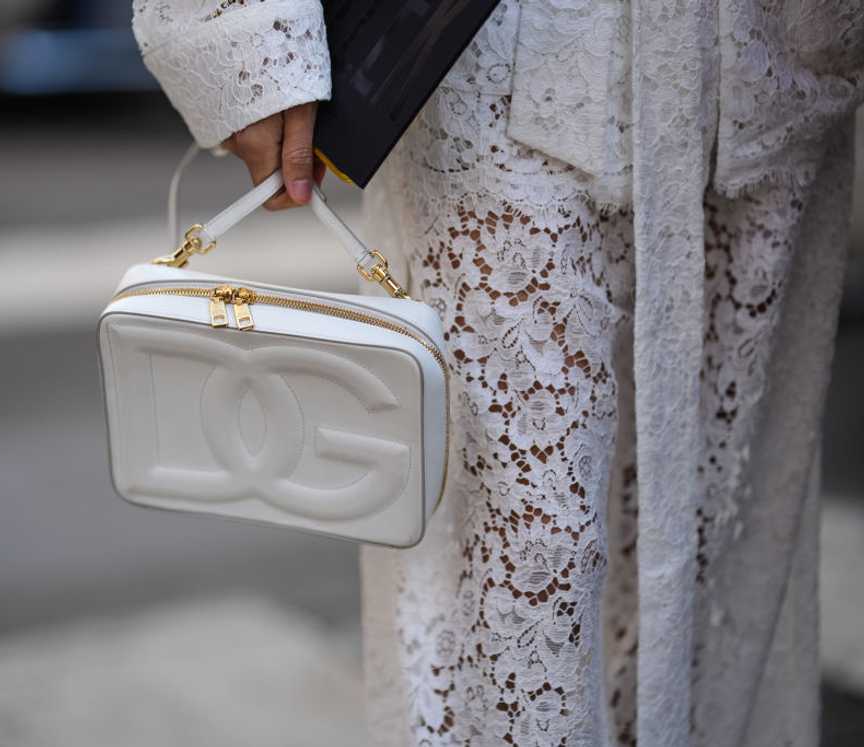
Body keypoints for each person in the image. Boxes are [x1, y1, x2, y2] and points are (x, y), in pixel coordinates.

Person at [131, 1, 863, 744]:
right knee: (519, 575)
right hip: (492, 60)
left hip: (772, 65)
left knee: (717, 544)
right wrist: (239, 34)